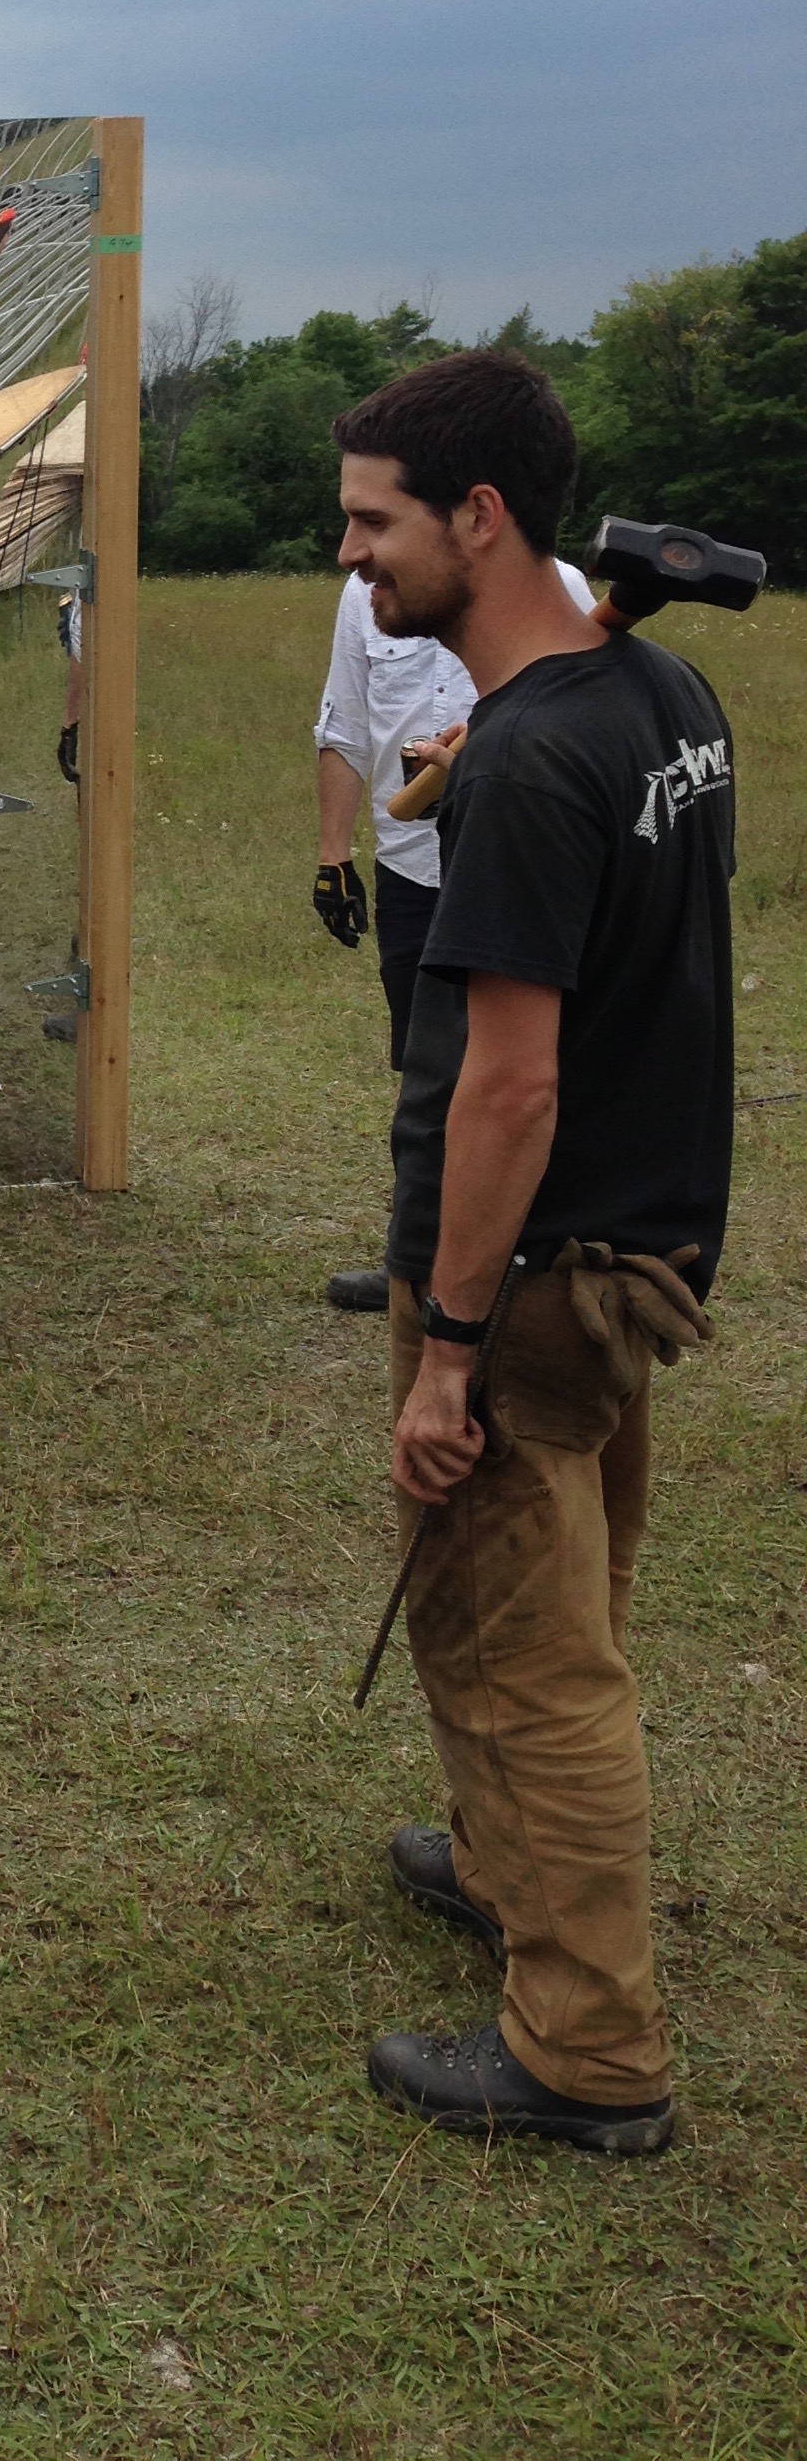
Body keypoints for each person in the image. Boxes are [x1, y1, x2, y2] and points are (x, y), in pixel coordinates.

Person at [331, 350, 732, 2157]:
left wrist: (445, 1348)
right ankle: (502, 1863)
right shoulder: (657, 694)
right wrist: (473, 758)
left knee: (520, 1648)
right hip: (639, 1245)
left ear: (475, 517)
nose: (349, 558)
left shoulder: (539, 764)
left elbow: (502, 1085)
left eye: (372, 520)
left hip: (536, 1270)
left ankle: (582, 2045)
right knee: (556, 1601)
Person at [312, 541, 593, 1311]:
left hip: (507, 864)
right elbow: (342, 720)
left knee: (519, 1066)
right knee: (424, 1072)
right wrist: (333, 857)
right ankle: (420, 1256)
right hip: (411, 866)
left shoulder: (560, 585)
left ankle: (526, 1259)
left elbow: (570, 719)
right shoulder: (364, 596)